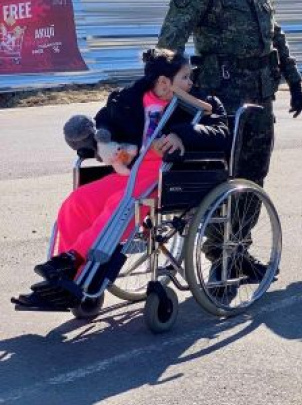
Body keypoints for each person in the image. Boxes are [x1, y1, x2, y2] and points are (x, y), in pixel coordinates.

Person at [13, 49, 229, 310]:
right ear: (163, 82)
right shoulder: (129, 99)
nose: (191, 83)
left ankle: (72, 262)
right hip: (131, 173)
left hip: (169, 176)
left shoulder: (201, 102)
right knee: (77, 201)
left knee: (120, 204)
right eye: (185, 77)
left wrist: (182, 134)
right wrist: (103, 139)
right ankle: (68, 281)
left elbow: (220, 132)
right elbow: (105, 121)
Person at [156, 0, 302, 264]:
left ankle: (238, 249)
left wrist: (294, 81)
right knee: (223, 176)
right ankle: (218, 252)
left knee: (254, 175)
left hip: (260, 96)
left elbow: (274, 34)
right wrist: (161, 85)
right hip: (222, 98)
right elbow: (171, 37)